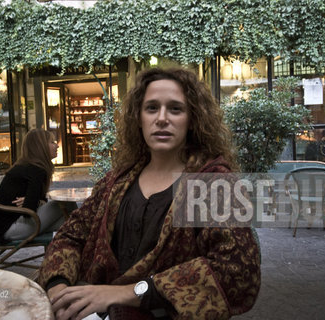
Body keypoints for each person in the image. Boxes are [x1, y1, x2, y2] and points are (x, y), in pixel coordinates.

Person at [38, 68, 261, 319]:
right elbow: (70, 235)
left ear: (192, 119)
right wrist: (59, 289)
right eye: (152, 108)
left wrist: (124, 293)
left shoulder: (212, 183)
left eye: (175, 109)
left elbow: (237, 272)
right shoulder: (117, 182)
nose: (162, 118)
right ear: (139, 117)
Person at [0, 128, 64, 242]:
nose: (57, 145)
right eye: (52, 142)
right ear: (41, 147)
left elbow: (39, 201)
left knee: (69, 221)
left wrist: (34, 201)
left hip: (7, 227)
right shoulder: (36, 170)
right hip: (10, 229)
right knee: (63, 206)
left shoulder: (28, 167)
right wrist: (33, 202)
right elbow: (30, 210)